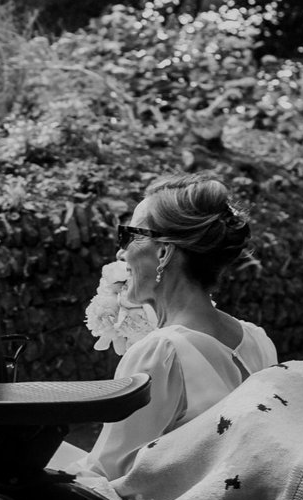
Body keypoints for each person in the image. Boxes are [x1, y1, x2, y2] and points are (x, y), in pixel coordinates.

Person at [77, 174, 277, 482]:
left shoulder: (162, 352)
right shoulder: (258, 340)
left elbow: (110, 474)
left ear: (163, 253)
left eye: (128, 236)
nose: (121, 253)